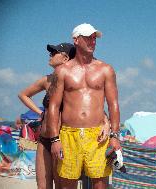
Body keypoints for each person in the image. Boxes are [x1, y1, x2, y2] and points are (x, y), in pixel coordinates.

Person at [19, 43, 110, 189]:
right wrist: (40, 112)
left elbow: (93, 105)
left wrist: (106, 122)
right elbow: (23, 94)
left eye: (54, 52)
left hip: (62, 141)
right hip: (43, 140)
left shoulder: (74, 80)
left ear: (65, 58)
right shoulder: (47, 80)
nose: (50, 55)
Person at [47, 23, 121, 189]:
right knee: (67, 184)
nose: (92, 41)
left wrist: (115, 135)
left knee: (101, 184)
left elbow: (113, 104)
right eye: (88, 37)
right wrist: (54, 139)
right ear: (76, 40)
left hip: (98, 136)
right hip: (68, 135)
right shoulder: (63, 71)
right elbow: (54, 106)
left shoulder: (105, 69)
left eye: (94, 38)